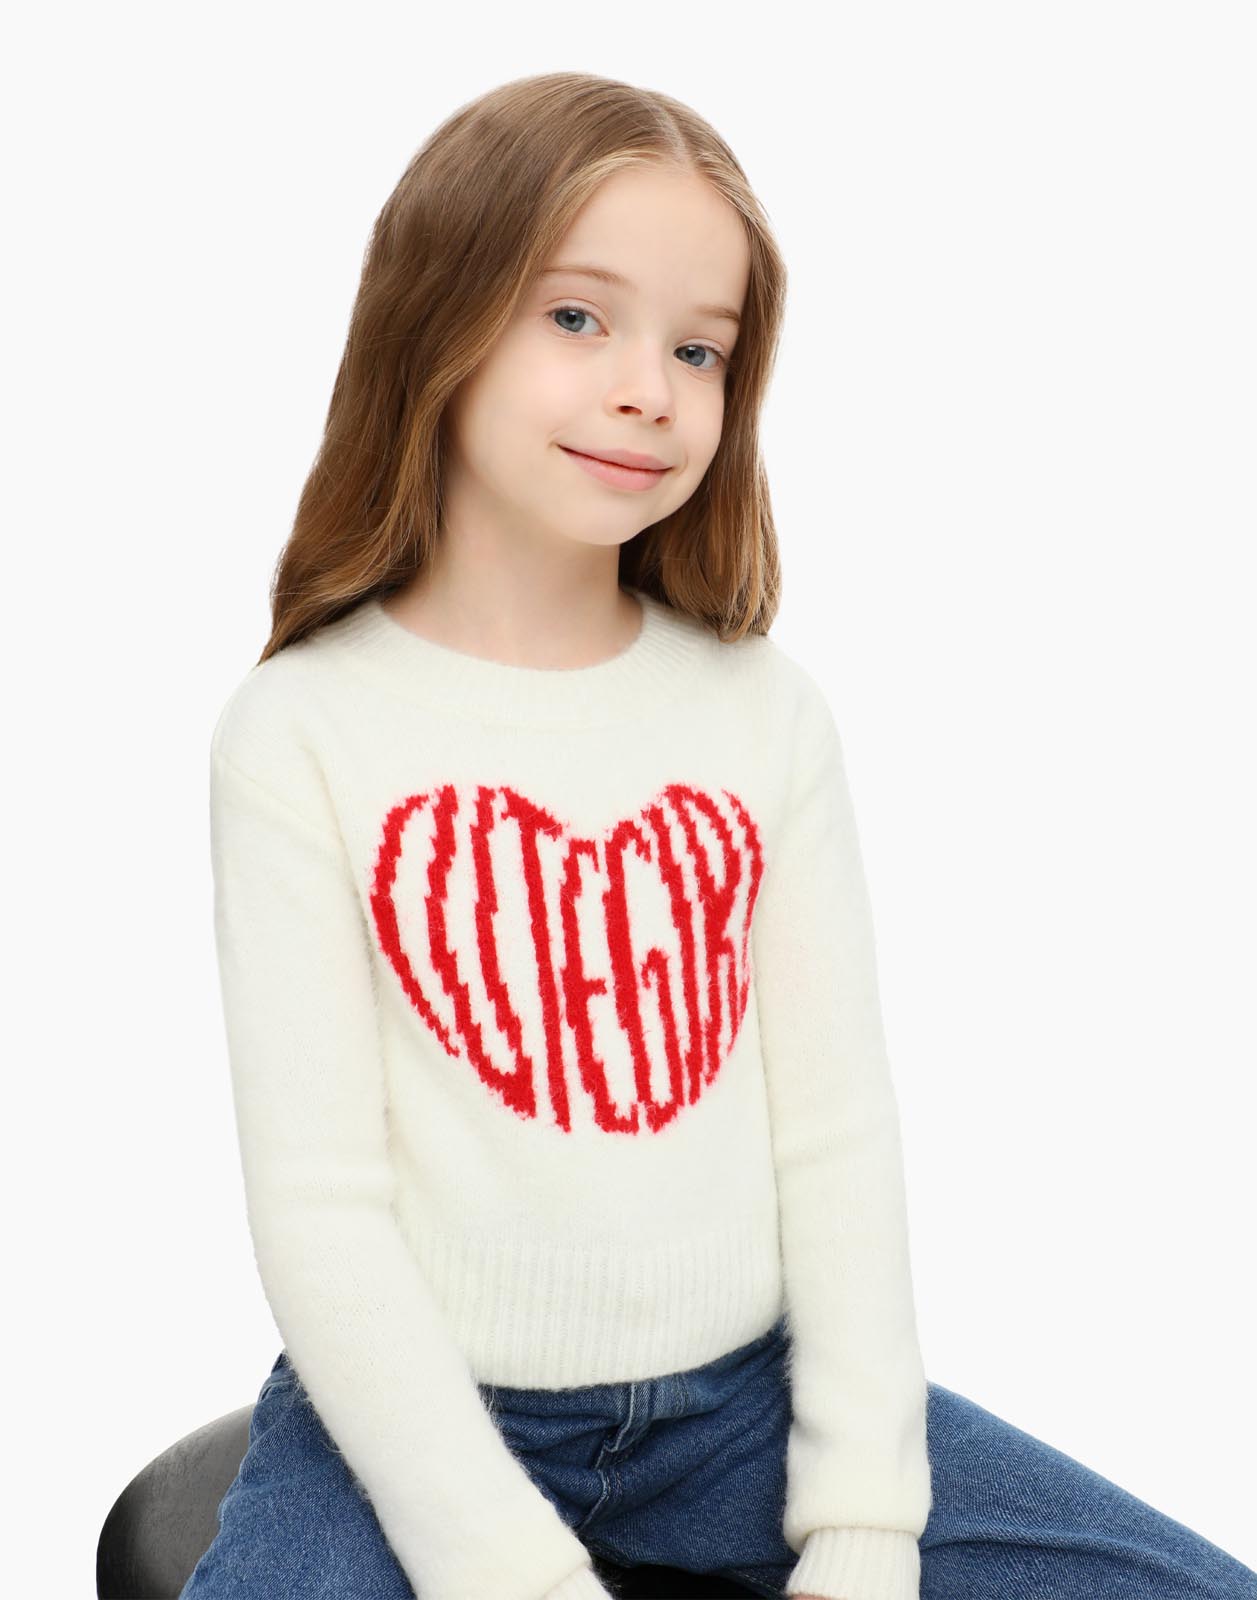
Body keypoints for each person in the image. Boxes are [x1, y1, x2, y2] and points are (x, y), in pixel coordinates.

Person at [180, 71, 1257, 1600]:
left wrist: (864, 1519)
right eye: (577, 318)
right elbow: (320, 1210)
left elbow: (836, 1137)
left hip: (741, 1410)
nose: (651, 389)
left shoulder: (762, 716)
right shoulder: (299, 731)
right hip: (400, 1427)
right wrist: (511, 1570)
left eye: (699, 347)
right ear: (436, 320)